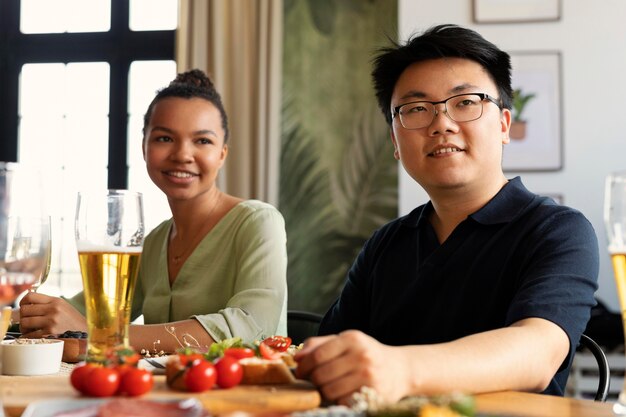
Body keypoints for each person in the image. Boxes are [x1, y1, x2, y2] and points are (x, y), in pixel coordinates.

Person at [295, 24, 599, 404]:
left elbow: (536, 353)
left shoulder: (557, 230)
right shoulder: (386, 244)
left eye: (466, 102)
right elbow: (331, 352)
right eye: (417, 109)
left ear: (504, 125)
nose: (441, 124)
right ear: (395, 141)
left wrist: (401, 369)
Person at [17, 69, 288, 353]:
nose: (183, 154)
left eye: (203, 141)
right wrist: (20, 310)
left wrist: (101, 333)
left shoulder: (258, 222)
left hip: (244, 394)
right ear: (144, 148)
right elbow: (84, 309)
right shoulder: (155, 241)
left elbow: (251, 328)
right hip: (163, 392)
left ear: (222, 154)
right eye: (164, 138)